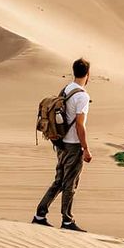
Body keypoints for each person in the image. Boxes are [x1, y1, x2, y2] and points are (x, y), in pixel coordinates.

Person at [33, 58, 93, 231]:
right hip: (73, 145)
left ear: (74, 72)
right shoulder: (82, 96)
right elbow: (80, 125)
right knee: (70, 184)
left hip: (60, 144)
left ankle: (40, 214)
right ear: (88, 75)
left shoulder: (67, 89)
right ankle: (67, 220)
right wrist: (86, 149)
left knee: (59, 181)